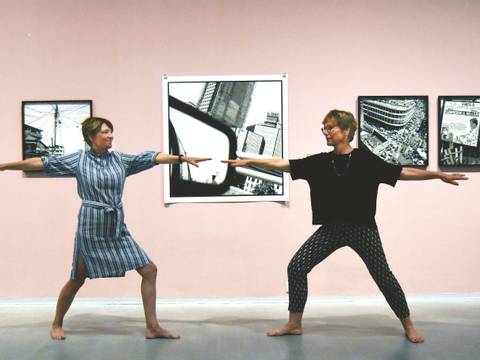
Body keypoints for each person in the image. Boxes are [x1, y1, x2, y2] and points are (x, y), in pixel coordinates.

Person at [223, 109, 467, 343]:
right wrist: (249, 161)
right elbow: (284, 164)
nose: (325, 132)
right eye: (324, 128)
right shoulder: (319, 162)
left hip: (363, 229)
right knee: (296, 267)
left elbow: (402, 172)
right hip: (331, 229)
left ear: (347, 130)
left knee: (383, 276)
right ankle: (294, 323)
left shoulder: (365, 159)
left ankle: (408, 324)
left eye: (330, 127)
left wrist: (437, 175)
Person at [0, 117, 210, 340]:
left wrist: (179, 158)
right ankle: (56, 323)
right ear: (91, 137)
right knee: (77, 278)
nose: (111, 135)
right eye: (105, 132)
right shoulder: (79, 160)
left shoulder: (120, 160)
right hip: (90, 225)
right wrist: (4, 166)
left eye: (111, 131)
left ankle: (153, 326)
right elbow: (42, 163)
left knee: (149, 270)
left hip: (116, 225)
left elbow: (151, 157)